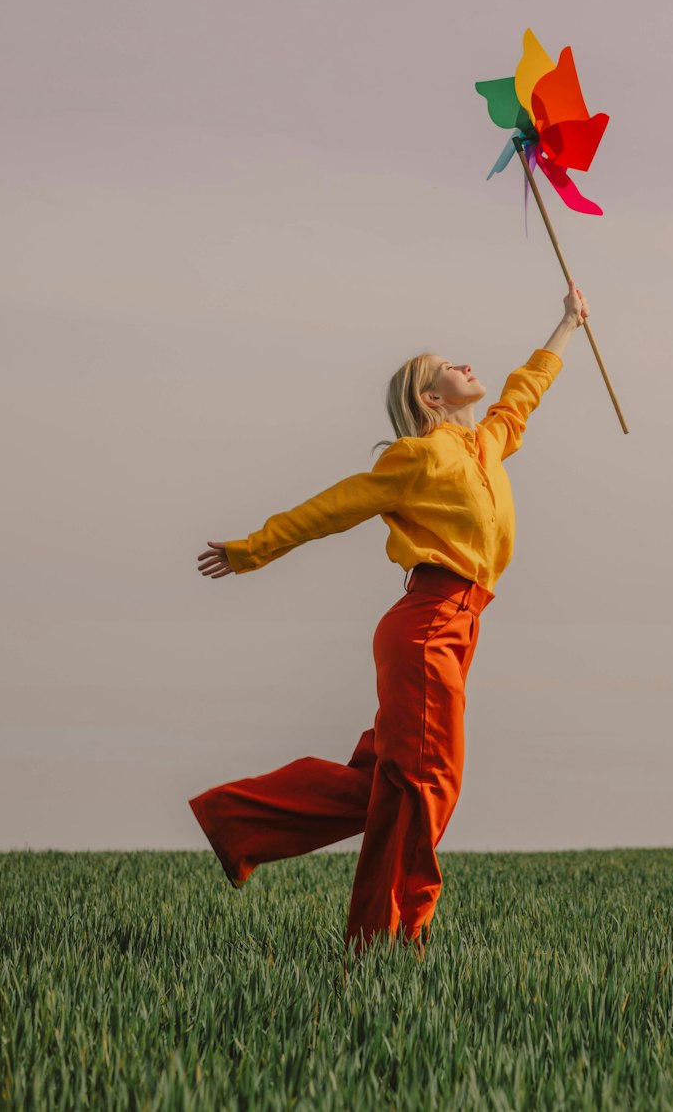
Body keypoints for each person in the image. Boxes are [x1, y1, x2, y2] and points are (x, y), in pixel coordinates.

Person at [190, 283, 591, 955]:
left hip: (459, 626)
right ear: (429, 399)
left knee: (393, 782)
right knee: (428, 781)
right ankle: (393, 940)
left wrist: (569, 324)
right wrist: (251, 550)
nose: (466, 364)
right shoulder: (417, 457)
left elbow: (523, 394)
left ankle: (234, 820)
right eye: (448, 366)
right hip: (426, 625)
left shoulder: (487, 444)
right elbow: (331, 507)